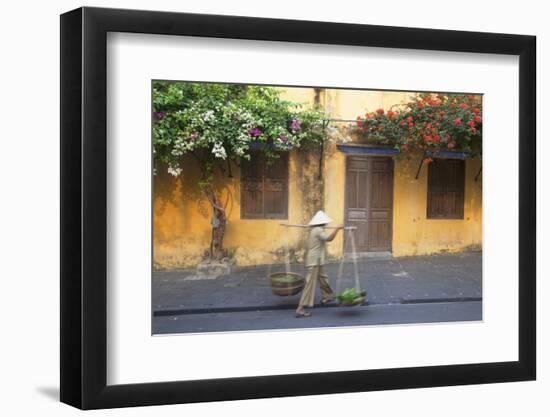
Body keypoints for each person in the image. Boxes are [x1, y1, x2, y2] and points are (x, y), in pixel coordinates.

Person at [295, 210, 344, 318]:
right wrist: (337, 229)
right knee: (310, 285)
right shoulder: (317, 230)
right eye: (325, 222)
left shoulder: (316, 229)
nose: (327, 224)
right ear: (322, 222)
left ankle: (326, 297)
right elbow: (329, 239)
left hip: (318, 260)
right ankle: (300, 308)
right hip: (314, 261)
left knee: (323, 278)